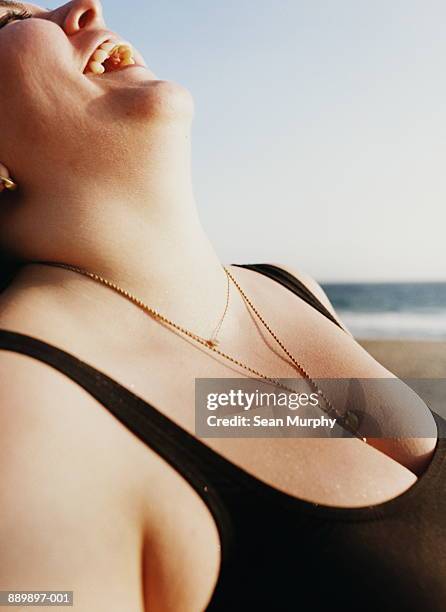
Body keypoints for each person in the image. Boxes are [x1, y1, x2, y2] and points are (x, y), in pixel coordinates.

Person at [0, 1, 444, 610]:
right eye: (9, 21)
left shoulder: (289, 289)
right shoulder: (28, 406)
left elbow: (237, 415)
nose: (82, 6)